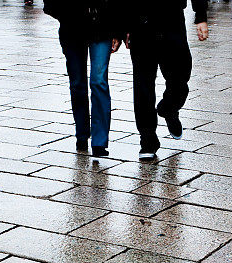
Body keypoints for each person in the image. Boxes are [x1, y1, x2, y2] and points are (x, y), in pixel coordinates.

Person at [125, 0, 209, 161]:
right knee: (143, 85)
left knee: (180, 74)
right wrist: (124, 26)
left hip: (172, 19)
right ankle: (147, 139)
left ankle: (169, 108)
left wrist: (201, 16)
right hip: (141, 23)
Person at [44, 1, 123, 157]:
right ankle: (82, 134)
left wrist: (118, 30)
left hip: (102, 25)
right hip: (72, 27)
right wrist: (65, 15)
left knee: (98, 81)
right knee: (77, 84)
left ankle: (99, 141)